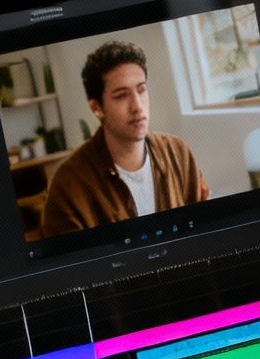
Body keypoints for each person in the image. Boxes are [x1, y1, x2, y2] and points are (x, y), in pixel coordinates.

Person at [39, 40, 208, 235]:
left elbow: (203, 228)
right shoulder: (68, 185)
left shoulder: (178, 152)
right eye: (121, 95)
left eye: (141, 89)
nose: (137, 106)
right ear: (96, 108)